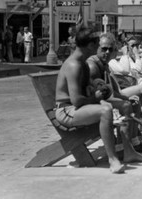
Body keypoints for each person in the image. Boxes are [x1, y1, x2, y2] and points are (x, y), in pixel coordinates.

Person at [54, 28, 129, 174]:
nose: (98, 47)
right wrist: (97, 98)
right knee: (105, 110)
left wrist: (100, 89)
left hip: (76, 108)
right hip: (66, 110)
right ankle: (113, 160)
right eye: (96, 44)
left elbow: (88, 89)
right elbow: (76, 101)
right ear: (89, 45)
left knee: (115, 106)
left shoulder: (83, 63)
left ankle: (127, 151)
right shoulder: (74, 65)